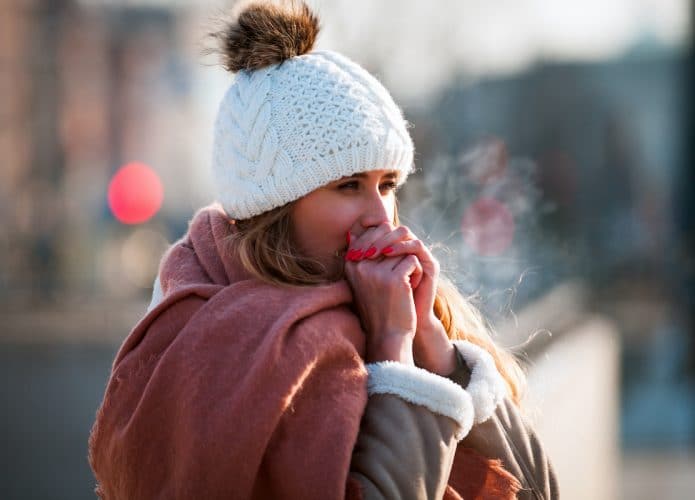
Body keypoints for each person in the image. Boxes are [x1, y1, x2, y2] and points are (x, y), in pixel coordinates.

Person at [89, 1, 559, 498]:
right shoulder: (216, 337)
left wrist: (436, 350)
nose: (380, 214)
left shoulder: (409, 309)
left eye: (388, 183)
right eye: (350, 185)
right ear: (276, 209)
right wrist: (393, 356)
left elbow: (540, 491)